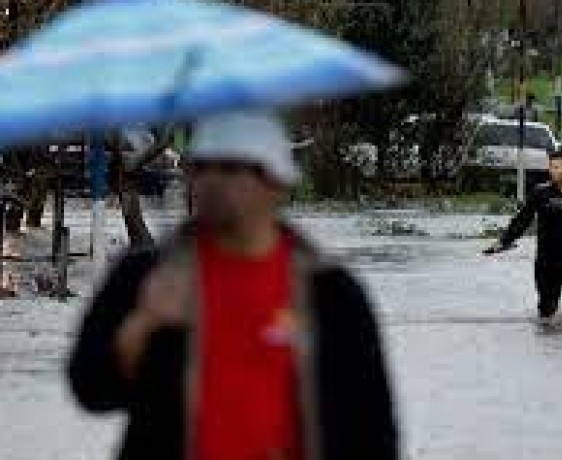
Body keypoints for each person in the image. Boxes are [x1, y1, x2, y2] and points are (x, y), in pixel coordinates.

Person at [67, 110, 398, 460]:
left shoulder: (331, 292)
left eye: (231, 167)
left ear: (276, 182)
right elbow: (89, 389)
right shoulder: (144, 276)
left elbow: (374, 427)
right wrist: (142, 325)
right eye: (202, 166)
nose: (212, 180)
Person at [485, 147, 562, 319]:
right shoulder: (540, 194)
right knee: (546, 314)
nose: (551, 171)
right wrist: (504, 241)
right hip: (546, 264)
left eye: (556, 167)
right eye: (551, 167)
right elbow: (522, 220)